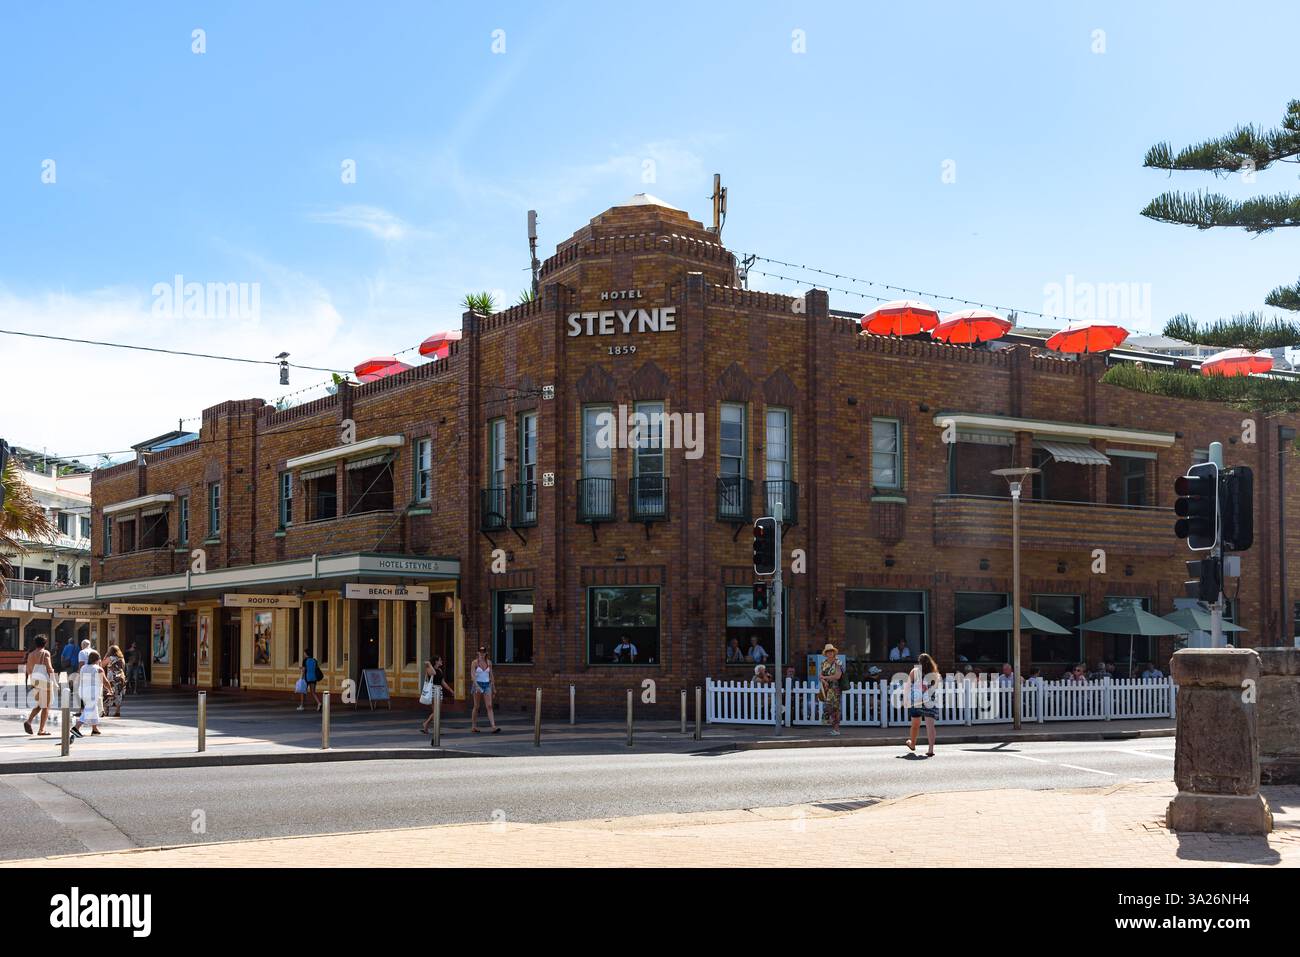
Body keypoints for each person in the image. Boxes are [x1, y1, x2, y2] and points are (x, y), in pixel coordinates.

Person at [905, 652, 940, 757]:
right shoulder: (935, 674)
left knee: (915, 724)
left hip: (916, 701)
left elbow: (907, 686)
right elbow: (935, 688)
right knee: (930, 726)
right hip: (929, 701)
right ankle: (931, 749)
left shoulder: (915, 671)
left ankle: (913, 743)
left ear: (919, 662)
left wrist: (906, 699)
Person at [24, 636, 55, 736]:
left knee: (40, 704)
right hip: (44, 681)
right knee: (46, 706)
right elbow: (49, 668)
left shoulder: (30, 654)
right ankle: (41, 730)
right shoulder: (45, 653)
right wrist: (54, 681)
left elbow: (28, 670)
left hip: (35, 681)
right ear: (45, 643)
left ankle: (29, 721)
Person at [73, 650, 105, 737]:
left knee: (93, 708)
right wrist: (110, 690)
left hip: (83, 690)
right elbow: (104, 681)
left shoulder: (83, 667)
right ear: (98, 659)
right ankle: (76, 727)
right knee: (89, 709)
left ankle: (94, 729)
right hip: (92, 691)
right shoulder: (98, 668)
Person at [470, 646, 500, 733]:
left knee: (489, 706)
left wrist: (493, 687)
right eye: (480, 652)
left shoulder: (489, 662)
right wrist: (477, 686)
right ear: (478, 653)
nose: (482, 654)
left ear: (486, 653)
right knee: (476, 706)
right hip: (477, 684)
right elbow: (472, 676)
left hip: (487, 685)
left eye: (483, 652)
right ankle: (473, 726)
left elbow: (491, 675)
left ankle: (493, 726)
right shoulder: (474, 663)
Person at [420, 657, 455, 733]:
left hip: (440, 691)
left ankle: (426, 724)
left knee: (437, 711)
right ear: (436, 661)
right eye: (440, 660)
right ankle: (436, 730)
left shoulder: (440, 670)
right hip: (432, 691)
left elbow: (442, 682)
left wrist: (450, 690)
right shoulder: (429, 669)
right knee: (436, 711)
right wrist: (429, 664)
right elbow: (433, 673)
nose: (441, 661)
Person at [819, 644, 844, 736]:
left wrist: (825, 677)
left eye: (831, 651)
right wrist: (823, 680)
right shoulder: (824, 663)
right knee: (828, 707)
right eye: (828, 652)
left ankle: (836, 729)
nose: (830, 653)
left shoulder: (838, 662)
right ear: (825, 653)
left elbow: (837, 676)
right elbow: (820, 676)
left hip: (835, 689)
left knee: (835, 708)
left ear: (834, 653)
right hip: (826, 688)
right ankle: (830, 722)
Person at [102, 644, 127, 718]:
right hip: (120, 677)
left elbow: (102, 665)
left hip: (112, 677)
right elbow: (123, 667)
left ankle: (106, 711)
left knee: (108, 692)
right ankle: (117, 711)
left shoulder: (110, 658)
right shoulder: (121, 658)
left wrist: (106, 655)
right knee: (119, 693)